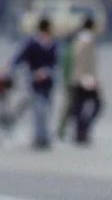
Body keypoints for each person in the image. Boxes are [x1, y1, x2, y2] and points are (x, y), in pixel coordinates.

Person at [9, 16, 57, 149]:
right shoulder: (32, 43)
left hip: (48, 81)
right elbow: (19, 58)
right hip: (34, 81)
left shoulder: (52, 44)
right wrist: (11, 68)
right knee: (38, 110)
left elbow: (54, 63)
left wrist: (46, 71)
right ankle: (40, 137)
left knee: (46, 109)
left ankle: (44, 135)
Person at [68, 15, 102, 144]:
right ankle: (82, 130)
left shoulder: (80, 39)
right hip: (84, 79)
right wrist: (87, 78)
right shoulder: (85, 41)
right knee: (96, 104)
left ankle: (81, 131)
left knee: (79, 106)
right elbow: (83, 61)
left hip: (81, 78)